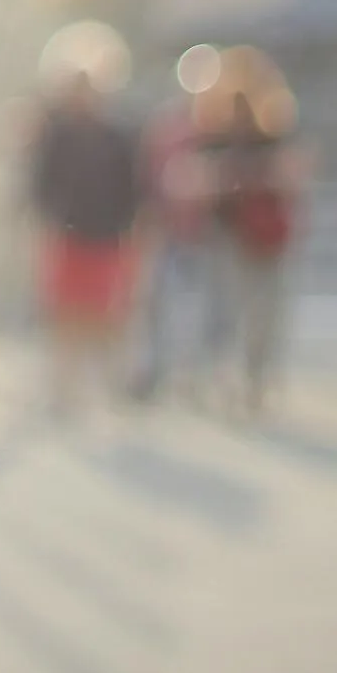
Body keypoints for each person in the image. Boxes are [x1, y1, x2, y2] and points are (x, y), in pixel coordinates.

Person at [25, 21, 144, 418]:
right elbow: (38, 188)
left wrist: (134, 236)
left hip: (108, 238)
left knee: (108, 318)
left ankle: (113, 387)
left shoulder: (119, 136)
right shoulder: (53, 135)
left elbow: (134, 191)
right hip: (68, 237)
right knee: (65, 317)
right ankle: (65, 392)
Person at [204, 47, 307, 417]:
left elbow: (291, 178)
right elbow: (204, 179)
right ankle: (230, 378)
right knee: (231, 309)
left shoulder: (275, 130)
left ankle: (255, 380)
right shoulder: (215, 131)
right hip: (231, 231)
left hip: (267, 233)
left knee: (266, 312)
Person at [130, 44, 227, 406]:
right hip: (169, 228)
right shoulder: (166, 127)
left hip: (210, 232)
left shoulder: (220, 126)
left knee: (205, 308)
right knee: (159, 304)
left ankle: (196, 377)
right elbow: (147, 177)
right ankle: (155, 372)